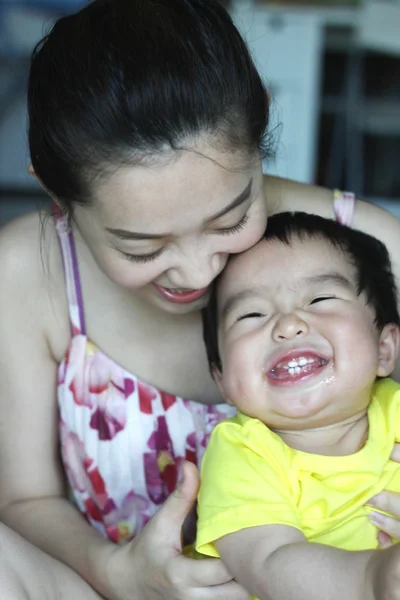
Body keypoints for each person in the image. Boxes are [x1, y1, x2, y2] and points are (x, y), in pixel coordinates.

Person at [0, 0, 400, 599]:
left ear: (261, 126)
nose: (198, 270)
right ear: (57, 194)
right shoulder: (28, 272)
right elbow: (23, 499)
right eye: (141, 248)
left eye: (231, 217)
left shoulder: (367, 244)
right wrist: (119, 573)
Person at [196, 212, 400, 600]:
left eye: (320, 299)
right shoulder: (244, 452)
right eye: (251, 314)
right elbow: (269, 562)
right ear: (222, 379)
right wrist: (371, 579)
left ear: (384, 350)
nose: (288, 325)